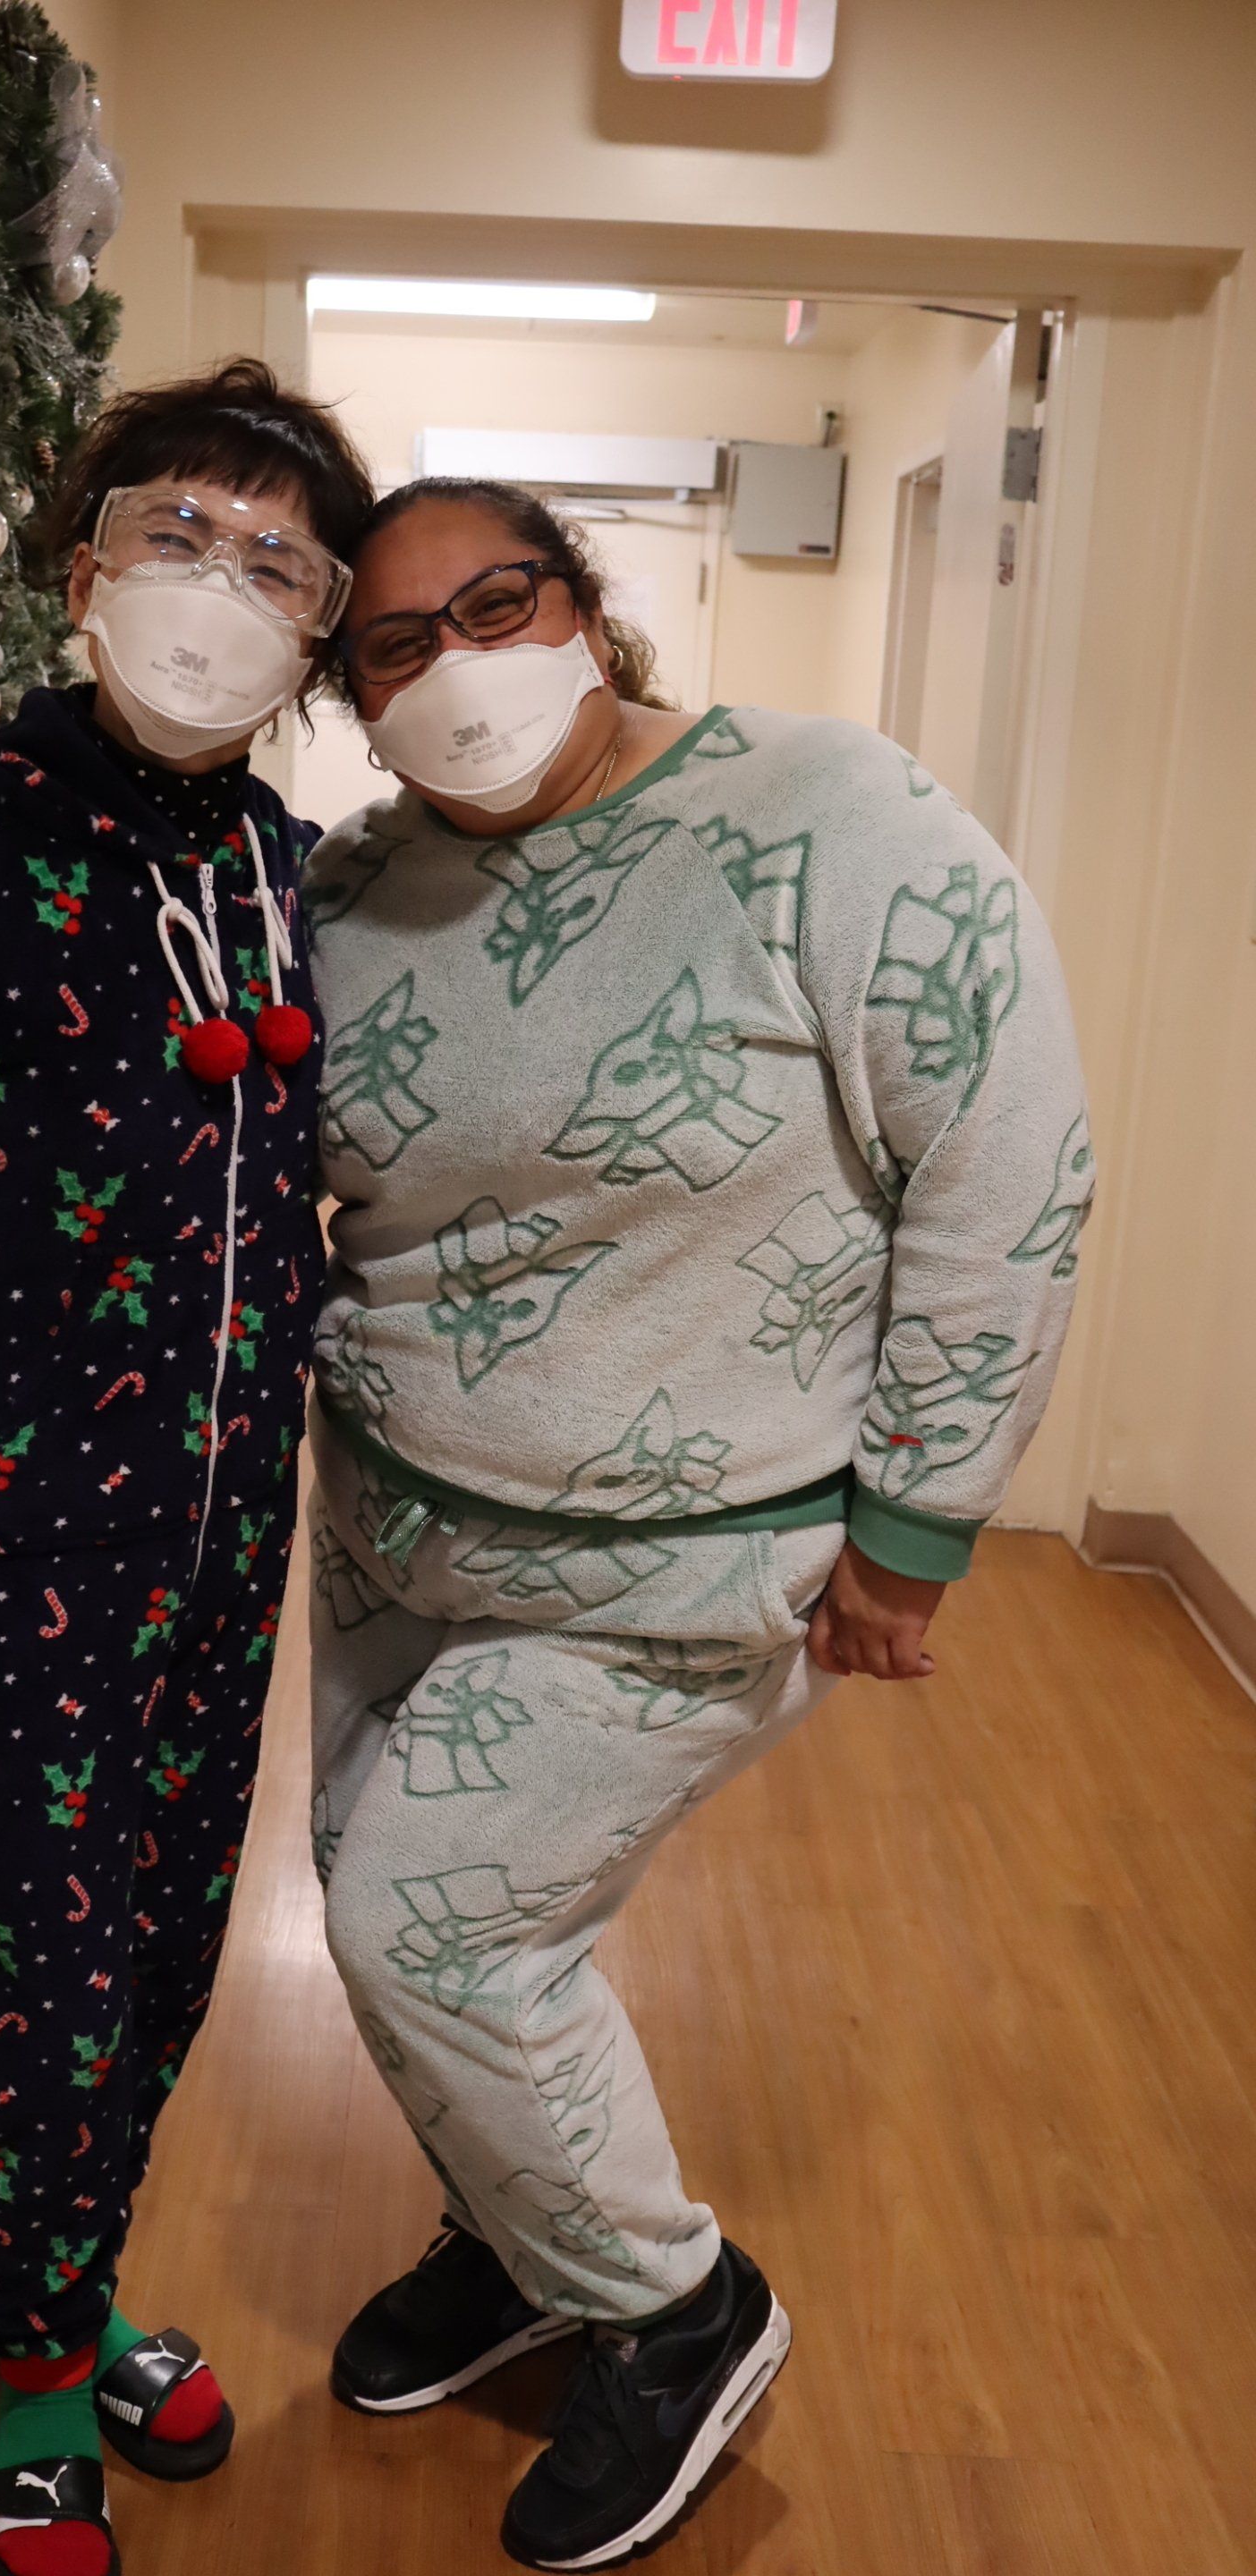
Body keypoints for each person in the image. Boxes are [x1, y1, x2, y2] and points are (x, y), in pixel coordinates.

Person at [303, 478, 1091, 2570]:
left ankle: (671, 2303)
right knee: (383, 1917)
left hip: (674, 1559)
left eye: (500, 602)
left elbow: (1007, 1162)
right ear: (350, 692)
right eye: (395, 642)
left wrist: (924, 1518)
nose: (457, 662)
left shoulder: (831, 817)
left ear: (587, 607)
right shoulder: (355, 884)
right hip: (391, 1522)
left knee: (436, 1928)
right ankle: (518, 2235)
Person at [0, 360, 374, 2576]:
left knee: (160, 1939)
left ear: (319, 630)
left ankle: (80, 2279)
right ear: (82, 561)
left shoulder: (288, 870)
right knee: (27, 1961)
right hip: (1, 1527)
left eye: (276, 557)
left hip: (225, 1530)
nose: (219, 587)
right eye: (175, 535)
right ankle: (36, 2382)